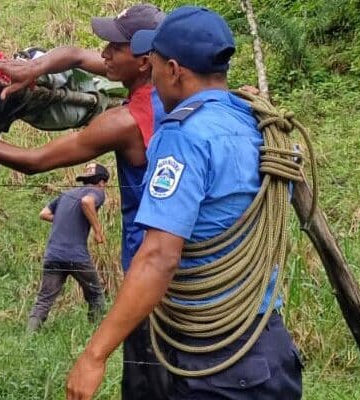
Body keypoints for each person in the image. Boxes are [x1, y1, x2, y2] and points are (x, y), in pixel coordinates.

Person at [0, 4, 172, 398]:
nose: (102, 55)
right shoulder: (176, 86)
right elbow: (76, 55)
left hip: (151, 272)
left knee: (152, 382)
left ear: (144, 59)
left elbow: (34, 162)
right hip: (181, 267)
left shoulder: (128, 120)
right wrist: (37, 67)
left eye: (113, 48)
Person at [65, 7, 303, 400]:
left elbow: (160, 256)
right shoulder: (261, 124)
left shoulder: (183, 136)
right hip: (269, 344)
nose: (151, 73)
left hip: (213, 357)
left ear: (173, 69)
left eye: (154, 62)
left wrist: (94, 355)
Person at [28, 162, 110, 332]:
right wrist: (98, 231)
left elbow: (44, 214)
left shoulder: (67, 194)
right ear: (102, 182)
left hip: (53, 255)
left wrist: (64, 219)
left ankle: (29, 338)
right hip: (76, 256)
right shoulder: (97, 192)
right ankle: (95, 333)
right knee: (95, 294)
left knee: (44, 300)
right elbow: (87, 202)